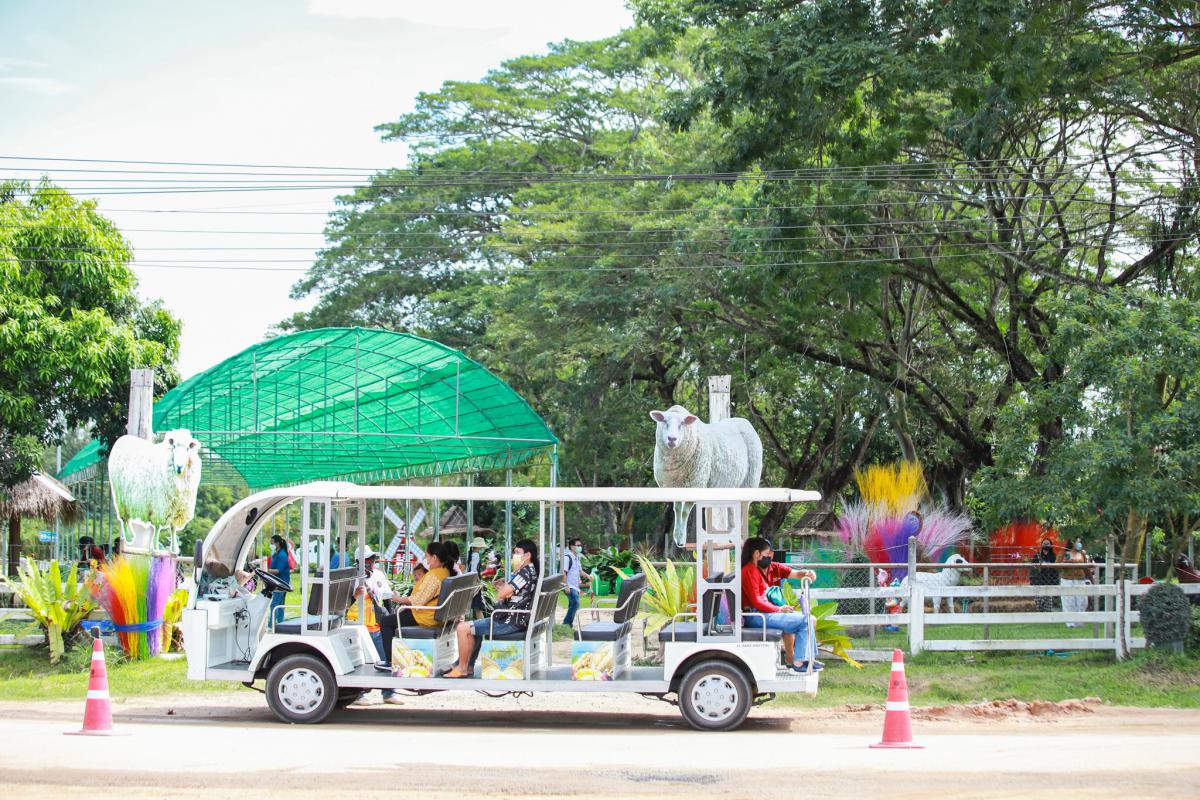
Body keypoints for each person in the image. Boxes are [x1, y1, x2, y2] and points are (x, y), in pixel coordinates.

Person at [444, 539, 539, 678]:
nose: (515, 556)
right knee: (472, 629)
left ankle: (462, 668)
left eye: (517, 552)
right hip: (513, 619)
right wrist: (505, 590)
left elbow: (501, 594)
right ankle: (468, 666)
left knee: (462, 628)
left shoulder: (524, 573)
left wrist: (503, 592)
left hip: (508, 621)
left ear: (527, 555)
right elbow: (509, 593)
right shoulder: (530, 571)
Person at [740, 537, 822, 672]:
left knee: (809, 619)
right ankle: (799, 662)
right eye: (766, 554)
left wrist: (808, 573)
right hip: (757, 616)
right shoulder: (749, 571)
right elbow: (757, 602)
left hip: (763, 614)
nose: (769, 556)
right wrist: (779, 609)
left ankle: (807, 659)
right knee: (806, 621)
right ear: (757, 554)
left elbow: (795, 574)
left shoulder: (753, 570)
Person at [348, 546, 401, 705]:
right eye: (367, 559)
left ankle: (389, 693)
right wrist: (354, 596)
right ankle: (359, 695)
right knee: (360, 663)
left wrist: (391, 619)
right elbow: (343, 604)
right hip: (358, 627)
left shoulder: (378, 574)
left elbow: (387, 598)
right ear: (359, 561)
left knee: (386, 660)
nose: (371, 562)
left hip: (377, 626)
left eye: (372, 558)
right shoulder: (351, 577)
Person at [394, 541, 456, 627]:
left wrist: (397, 599)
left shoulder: (433, 576)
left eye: (427, 556)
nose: (426, 560)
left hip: (426, 617)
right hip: (435, 614)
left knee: (386, 622)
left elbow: (418, 600)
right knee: (397, 617)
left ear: (434, 557)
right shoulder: (445, 571)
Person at [561, 537, 591, 627]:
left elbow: (580, 571)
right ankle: (566, 624)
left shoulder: (576, 558)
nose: (580, 547)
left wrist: (588, 576)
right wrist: (566, 586)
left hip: (575, 586)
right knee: (576, 603)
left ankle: (568, 625)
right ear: (572, 546)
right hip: (569, 586)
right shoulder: (567, 558)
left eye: (580, 545)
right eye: (578, 545)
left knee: (572, 605)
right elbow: (563, 572)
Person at [1061, 538, 1090, 627]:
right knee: (1069, 601)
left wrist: (1091, 579)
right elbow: (1061, 566)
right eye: (1078, 542)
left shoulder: (1082, 554)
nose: (1079, 544)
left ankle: (1080, 622)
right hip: (1067, 580)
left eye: (1080, 542)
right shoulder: (1066, 553)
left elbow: (1085, 567)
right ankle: (1070, 623)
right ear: (1072, 543)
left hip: (1080, 579)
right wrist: (1069, 562)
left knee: (1082, 601)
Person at [264, 534, 292, 626]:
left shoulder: (282, 555)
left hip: (281, 583)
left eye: (272, 543)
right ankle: (280, 623)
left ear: (277, 543)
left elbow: (278, 570)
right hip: (278, 582)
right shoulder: (276, 554)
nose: (271, 545)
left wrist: (265, 570)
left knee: (274, 604)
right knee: (280, 604)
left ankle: (271, 625)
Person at [1030, 538, 1060, 612]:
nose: (1046, 545)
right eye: (1044, 543)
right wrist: (1033, 581)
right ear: (1041, 545)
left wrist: (1054, 583)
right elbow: (1033, 570)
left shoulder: (1053, 557)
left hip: (1049, 583)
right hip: (1038, 583)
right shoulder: (1037, 556)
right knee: (1038, 604)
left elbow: (1056, 572)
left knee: (1048, 605)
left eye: (1048, 544)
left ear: (1051, 545)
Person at [468, 537, 488, 619]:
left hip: (472, 583)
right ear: (479, 546)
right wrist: (479, 583)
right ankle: (483, 625)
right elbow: (474, 572)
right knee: (478, 607)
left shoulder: (471, 554)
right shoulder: (476, 555)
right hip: (475, 584)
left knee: (477, 607)